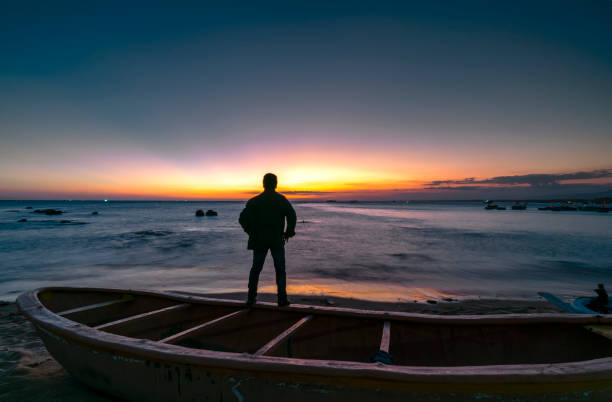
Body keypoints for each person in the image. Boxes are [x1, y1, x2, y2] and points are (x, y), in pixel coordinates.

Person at [239, 173, 296, 307]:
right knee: (280, 270)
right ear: (275, 184)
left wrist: (251, 232)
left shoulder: (255, 201)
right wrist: (289, 232)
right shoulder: (281, 199)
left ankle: (251, 298)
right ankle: (282, 299)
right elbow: (292, 215)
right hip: (276, 240)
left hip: (259, 240)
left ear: (263, 184)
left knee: (256, 269)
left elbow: (242, 219)